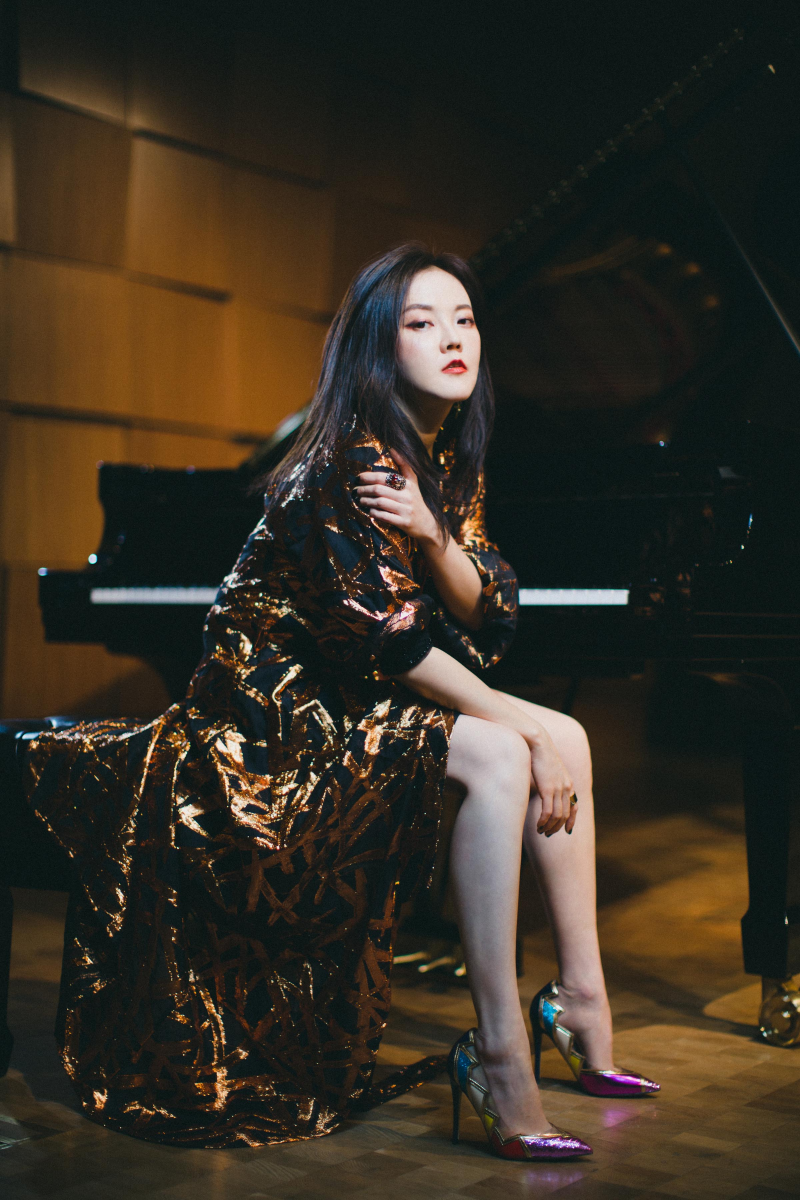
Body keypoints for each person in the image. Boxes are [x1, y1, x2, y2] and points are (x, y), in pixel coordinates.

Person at [15, 244, 657, 1156]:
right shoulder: (346, 463)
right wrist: (519, 723)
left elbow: (492, 611)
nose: (453, 339)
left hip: (350, 706)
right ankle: (499, 1051)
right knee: (506, 749)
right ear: (378, 345)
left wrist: (433, 532)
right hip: (267, 732)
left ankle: (581, 1000)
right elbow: (391, 642)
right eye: (422, 323)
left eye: (465, 319)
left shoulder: (441, 460)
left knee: (572, 736)